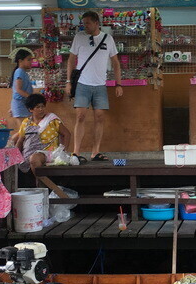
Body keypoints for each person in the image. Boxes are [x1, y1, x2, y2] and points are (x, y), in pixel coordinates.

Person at [65, 11, 122, 163]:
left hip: (100, 85)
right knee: (80, 116)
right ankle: (76, 152)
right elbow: (71, 60)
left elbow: (116, 62)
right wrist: (68, 82)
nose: (85, 26)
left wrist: (118, 83)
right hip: (83, 83)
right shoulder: (79, 37)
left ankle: (95, 152)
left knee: (100, 117)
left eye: (88, 23)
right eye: (83, 23)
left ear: (97, 23)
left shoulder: (108, 38)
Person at [11, 93, 72, 174]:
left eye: (42, 106)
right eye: (38, 107)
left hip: (48, 153)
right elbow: (20, 140)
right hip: (27, 154)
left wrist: (63, 151)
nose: (41, 109)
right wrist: (15, 155)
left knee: (34, 159)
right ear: (30, 109)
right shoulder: (26, 122)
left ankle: (41, 183)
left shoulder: (52, 120)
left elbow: (67, 134)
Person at [9, 49, 34, 122]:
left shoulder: (22, 72)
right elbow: (18, 89)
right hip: (20, 104)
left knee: (26, 129)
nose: (31, 62)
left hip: (23, 104)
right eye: (28, 60)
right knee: (23, 130)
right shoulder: (19, 72)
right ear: (20, 61)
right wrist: (31, 98)